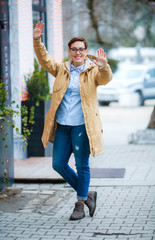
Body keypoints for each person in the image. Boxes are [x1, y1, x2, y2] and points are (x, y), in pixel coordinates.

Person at [33, 21, 113, 221]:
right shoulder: (61, 69)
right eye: (74, 49)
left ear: (86, 52)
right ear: (69, 51)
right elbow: (45, 60)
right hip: (62, 126)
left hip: (82, 126)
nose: (78, 52)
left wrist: (104, 67)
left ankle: (79, 204)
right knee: (58, 164)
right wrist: (37, 40)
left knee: (81, 165)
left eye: (81, 49)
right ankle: (88, 194)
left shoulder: (93, 71)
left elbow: (105, 79)